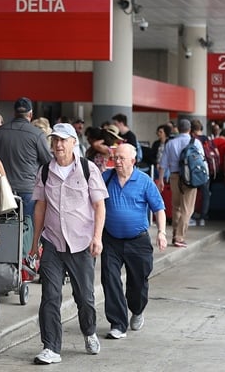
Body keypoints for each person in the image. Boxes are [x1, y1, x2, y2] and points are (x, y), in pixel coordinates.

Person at [29, 123, 108, 365]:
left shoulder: (87, 169)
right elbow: (40, 207)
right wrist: (34, 244)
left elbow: (99, 206)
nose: (58, 145)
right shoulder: (45, 171)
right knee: (50, 296)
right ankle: (51, 347)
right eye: (55, 140)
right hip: (52, 242)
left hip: (81, 243)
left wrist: (97, 238)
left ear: (74, 142)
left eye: (63, 140)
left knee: (84, 297)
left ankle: (89, 330)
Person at [101, 143, 167, 340]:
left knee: (137, 284)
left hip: (138, 241)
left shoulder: (144, 181)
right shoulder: (107, 178)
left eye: (121, 158)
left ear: (133, 160)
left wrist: (162, 232)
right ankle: (117, 323)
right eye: (115, 158)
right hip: (111, 239)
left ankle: (137, 310)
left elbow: (159, 209)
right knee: (110, 280)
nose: (117, 162)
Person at [0, 97, 51, 258]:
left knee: (4, 228)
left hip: (4, 191)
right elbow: (48, 163)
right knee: (29, 228)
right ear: (30, 114)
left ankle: (6, 263)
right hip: (28, 190)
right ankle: (26, 261)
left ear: (14, 113)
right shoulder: (37, 135)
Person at [157, 119, 204, 248]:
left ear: (177, 128)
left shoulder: (170, 143)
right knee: (187, 208)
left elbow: (163, 164)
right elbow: (201, 161)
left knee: (176, 206)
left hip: (174, 177)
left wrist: (161, 180)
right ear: (190, 129)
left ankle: (174, 235)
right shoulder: (196, 143)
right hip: (190, 178)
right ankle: (179, 237)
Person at [190, 119, 210, 227]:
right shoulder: (207, 140)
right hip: (205, 170)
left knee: (192, 194)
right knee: (205, 194)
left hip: (193, 171)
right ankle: (202, 218)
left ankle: (192, 216)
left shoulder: (193, 140)